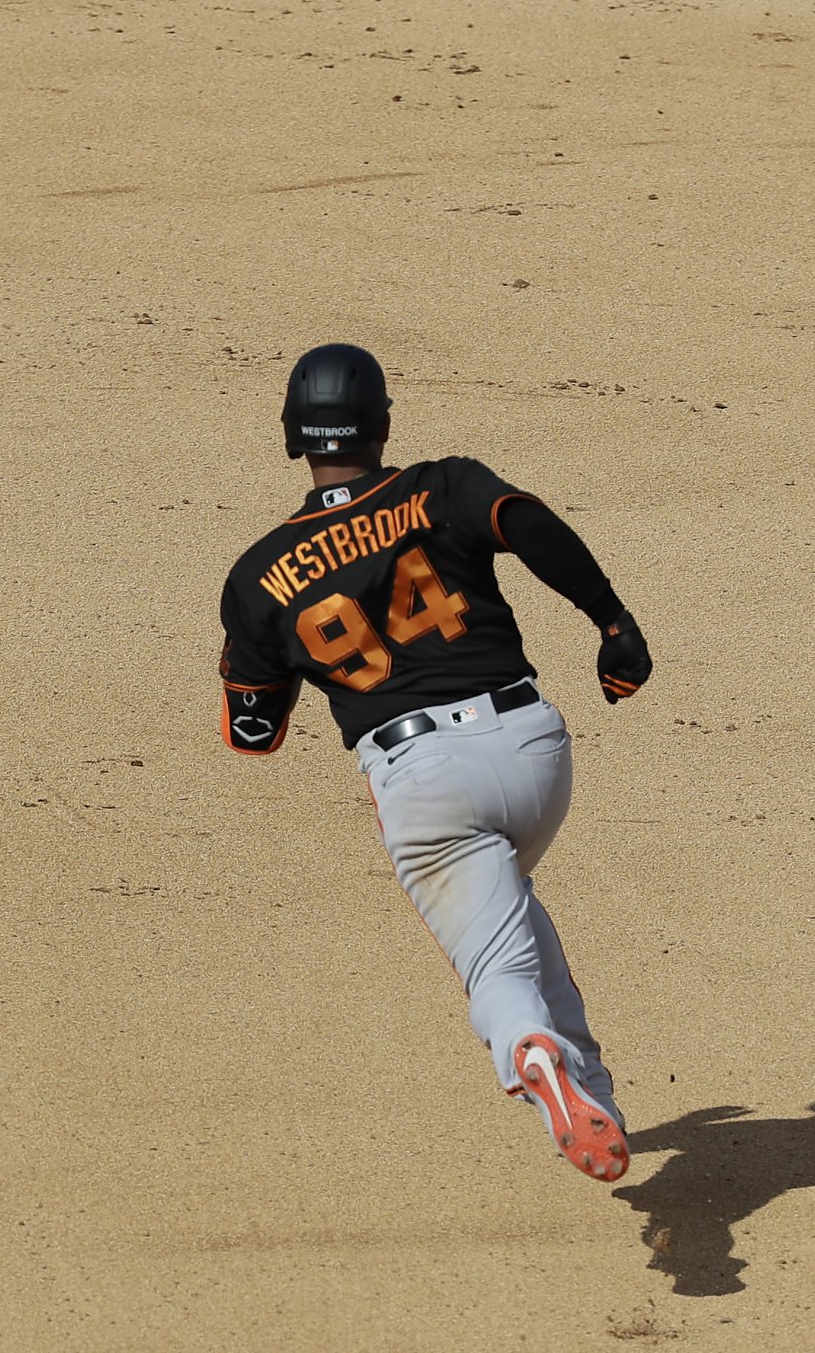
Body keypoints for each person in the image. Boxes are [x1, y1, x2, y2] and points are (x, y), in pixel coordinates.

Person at [216, 343, 654, 1182]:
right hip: (532, 750)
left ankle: (531, 1056)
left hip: (423, 785)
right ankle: (592, 1091)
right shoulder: (439, 486)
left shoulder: (257, 576)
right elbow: (530, 524)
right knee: (512, 917)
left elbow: (253, 733)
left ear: (292, 437)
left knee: (494, 965)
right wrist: (611, 622)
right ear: (383, 424)